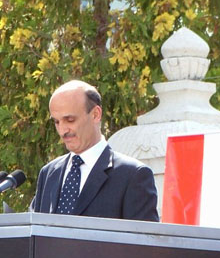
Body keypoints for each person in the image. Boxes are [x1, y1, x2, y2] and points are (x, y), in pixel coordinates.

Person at [32, 80, 159, 221]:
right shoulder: (48, 173)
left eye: (70, 120)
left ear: (95, 114)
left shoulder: (133, 175)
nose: (63, 130)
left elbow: (142, 241)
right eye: (56, 122)